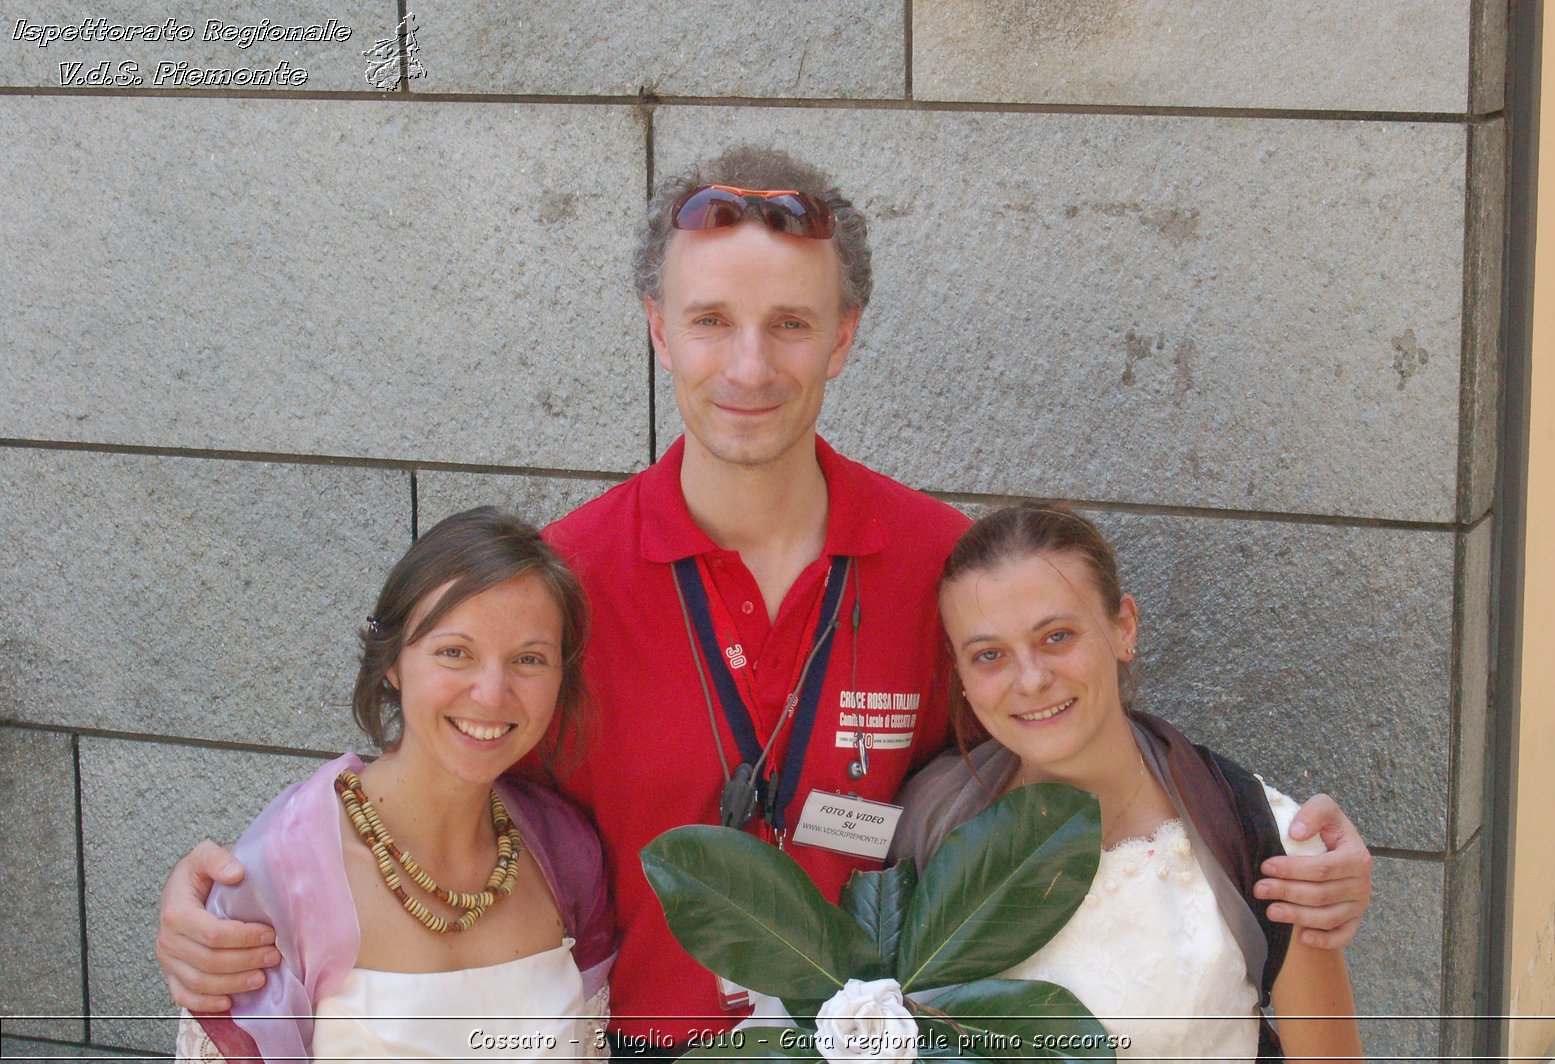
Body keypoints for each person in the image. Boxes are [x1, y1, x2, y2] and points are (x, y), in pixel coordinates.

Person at [156, 147, 1373, 1056]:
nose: (750, 367)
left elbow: (1070, 753)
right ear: (656, 332)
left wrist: (1289, 856)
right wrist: (243, 893)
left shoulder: (941, 566)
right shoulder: (564, 580)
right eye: (711, 321)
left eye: (789, 323)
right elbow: (442, 764)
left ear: (842, 338)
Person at [890, 504, 1363, 1063]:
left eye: (1057, 636)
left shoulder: (1254, 833)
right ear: (961, 674)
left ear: (1123, 628)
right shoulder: (927, 824)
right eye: (989, 655)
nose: (1032, 679)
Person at [173, 508, 615, 1062]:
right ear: (393, 663)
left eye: (529, 659)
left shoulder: (568, 856)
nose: (492, 693)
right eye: (455, 652)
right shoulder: (280, 876)